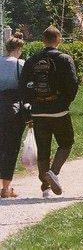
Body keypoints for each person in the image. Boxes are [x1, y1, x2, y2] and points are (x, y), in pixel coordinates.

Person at [25, 26, 79, 198]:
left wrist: (31, 103)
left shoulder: (32, 60)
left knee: (43, 149)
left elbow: (24, 84)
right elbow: (72, 84)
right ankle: (53, 172)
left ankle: (45, 188)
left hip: (38, 111)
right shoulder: (65, 59)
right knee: (66, 142)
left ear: (43, 40)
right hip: (58, 110)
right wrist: (65, 102)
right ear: (59, 40)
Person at [0, 36, 27, 198]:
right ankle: (6, 188)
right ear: (19, 49)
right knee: (11, 147)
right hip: (14, 110)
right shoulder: (20, 64)